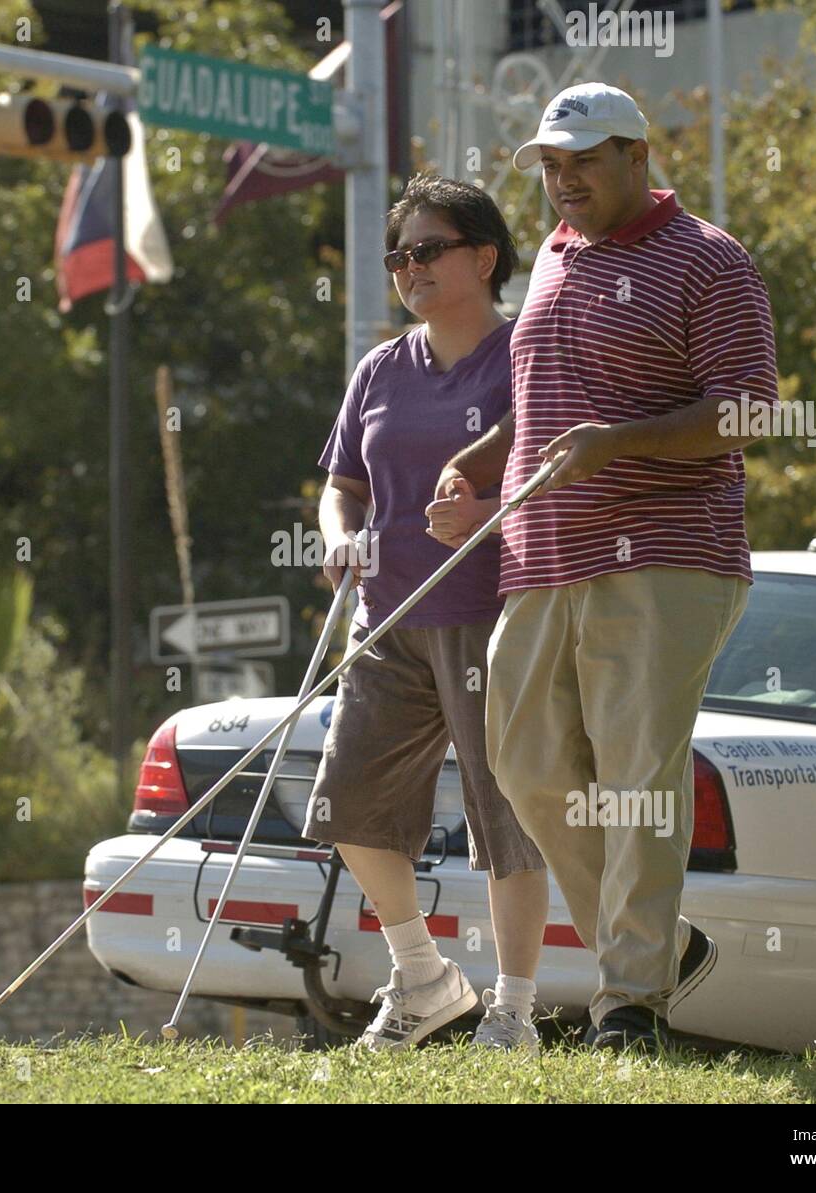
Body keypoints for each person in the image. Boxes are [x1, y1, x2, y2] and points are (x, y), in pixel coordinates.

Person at [428, 83, 779, 1051]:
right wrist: (484, 456)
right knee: (527, 768)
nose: (562, 180)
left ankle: (629, 1002)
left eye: (581, 160)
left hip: (667, 555)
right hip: (540, 556)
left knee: (633, 778)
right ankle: (660, 947)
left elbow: (748, 409)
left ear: (637, 153)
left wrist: (615, 444)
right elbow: (552, 400)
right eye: (548, 165)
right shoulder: (556, 254)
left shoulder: (709, 259)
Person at [305, 174, 550, 1053]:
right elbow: (343, 485)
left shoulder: (530, 351)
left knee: (505, 812)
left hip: (494, 613)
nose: (408, 268)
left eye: (427, 249)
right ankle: (423, 977)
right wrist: (340, 537)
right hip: (386, 616)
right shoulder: (378, 367)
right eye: (397, 256)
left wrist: (487, 512)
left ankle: (513, 1011)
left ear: (484, 257)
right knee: (349, 803)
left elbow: (561, 475)